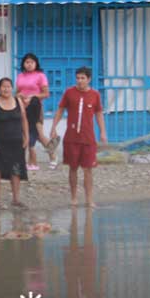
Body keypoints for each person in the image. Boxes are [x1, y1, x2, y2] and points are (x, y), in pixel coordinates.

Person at [50, 67, 108, 208]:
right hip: (71, 138)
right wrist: (53, 127)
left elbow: (99, 113)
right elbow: (60, 110)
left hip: (88, 138)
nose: (80, 81)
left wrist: (102, 131)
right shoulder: (69, 92)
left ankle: (89, 199)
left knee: (88, 169)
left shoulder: (95, 95)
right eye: (78, 78)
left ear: (89, 79)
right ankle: (74, 197)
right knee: (73, 168)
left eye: (83, 78)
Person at [0, 78, 29, 209]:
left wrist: (26, 137)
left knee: (16, 170)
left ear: (12, 88)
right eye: (3, 87)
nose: (6, 89)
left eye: (9, 86)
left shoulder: (18, 101)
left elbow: (24, 120)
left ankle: (16, 199)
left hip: (16, 142)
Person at [16, 53, 55, 171]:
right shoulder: (20, 76)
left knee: (39, 134)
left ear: (36, 63)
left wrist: (33, 96)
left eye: (31, 62)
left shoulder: (40, 76)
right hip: (22, 109)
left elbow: (46, 93)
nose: (29, 64)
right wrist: (19, 95)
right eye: (27, 62)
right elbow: (17, 92)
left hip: (36, 108)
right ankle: (31, 161)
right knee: (26, 134)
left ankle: (53, 156)